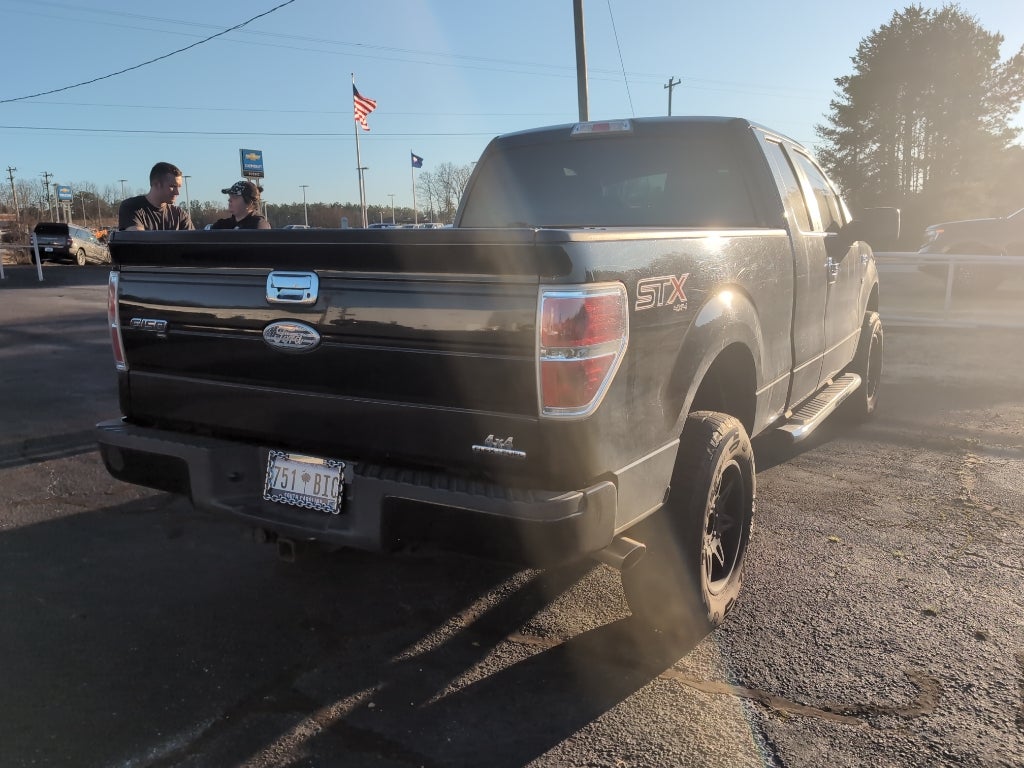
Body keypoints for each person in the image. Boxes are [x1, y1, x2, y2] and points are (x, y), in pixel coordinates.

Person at [118, 162, 195, 230]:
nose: (177, 192)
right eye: (173, 186)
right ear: (157, 184)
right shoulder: (131, 207)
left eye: (179, 187)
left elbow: (193, 243)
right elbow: (139, 241)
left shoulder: (180, 215)